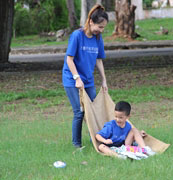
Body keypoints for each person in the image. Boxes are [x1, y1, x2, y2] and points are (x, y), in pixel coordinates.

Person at [62, 4, 109, 148]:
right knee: (80, 112)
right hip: (72, 79)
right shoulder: (77, 35)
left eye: (103, 28)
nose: (101, 30)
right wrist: (77, 78)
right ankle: (77, 145)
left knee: (93, 111)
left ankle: (94, 140)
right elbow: (69, 59)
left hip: (88, 81)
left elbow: (98, 59)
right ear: (90, 22)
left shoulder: (97, 38)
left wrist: (104, 80)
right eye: (99, 27)